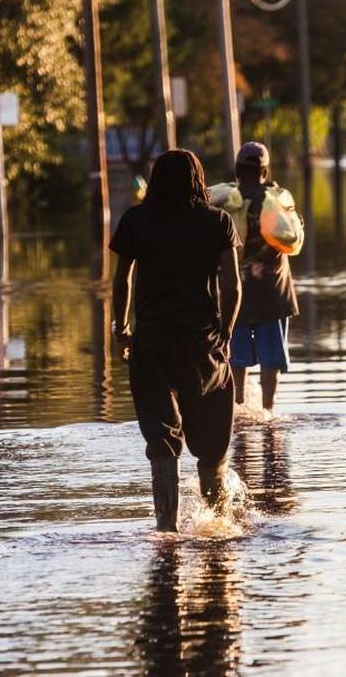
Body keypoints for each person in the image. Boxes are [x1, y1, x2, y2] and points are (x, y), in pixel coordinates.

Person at [111, 149, 242, 533]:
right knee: (212, 447)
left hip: (151, 345)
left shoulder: (136, 220)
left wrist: (121, 328)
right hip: (204, 345)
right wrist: (226, 332)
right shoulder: (217, 221)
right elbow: (233, 284)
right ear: (199, 180)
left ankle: (166, 530)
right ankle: (218, 526)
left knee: (163, 445)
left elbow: (122, 281)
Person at [228, 142, 299, 412]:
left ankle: (237, 409)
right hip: (273, 294)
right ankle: (268, 411)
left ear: (237, 170)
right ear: (265, 171)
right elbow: (292, 236)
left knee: (237, 359)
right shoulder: (276, 202)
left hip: (237, 294)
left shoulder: (228, 202)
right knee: (271, 360)